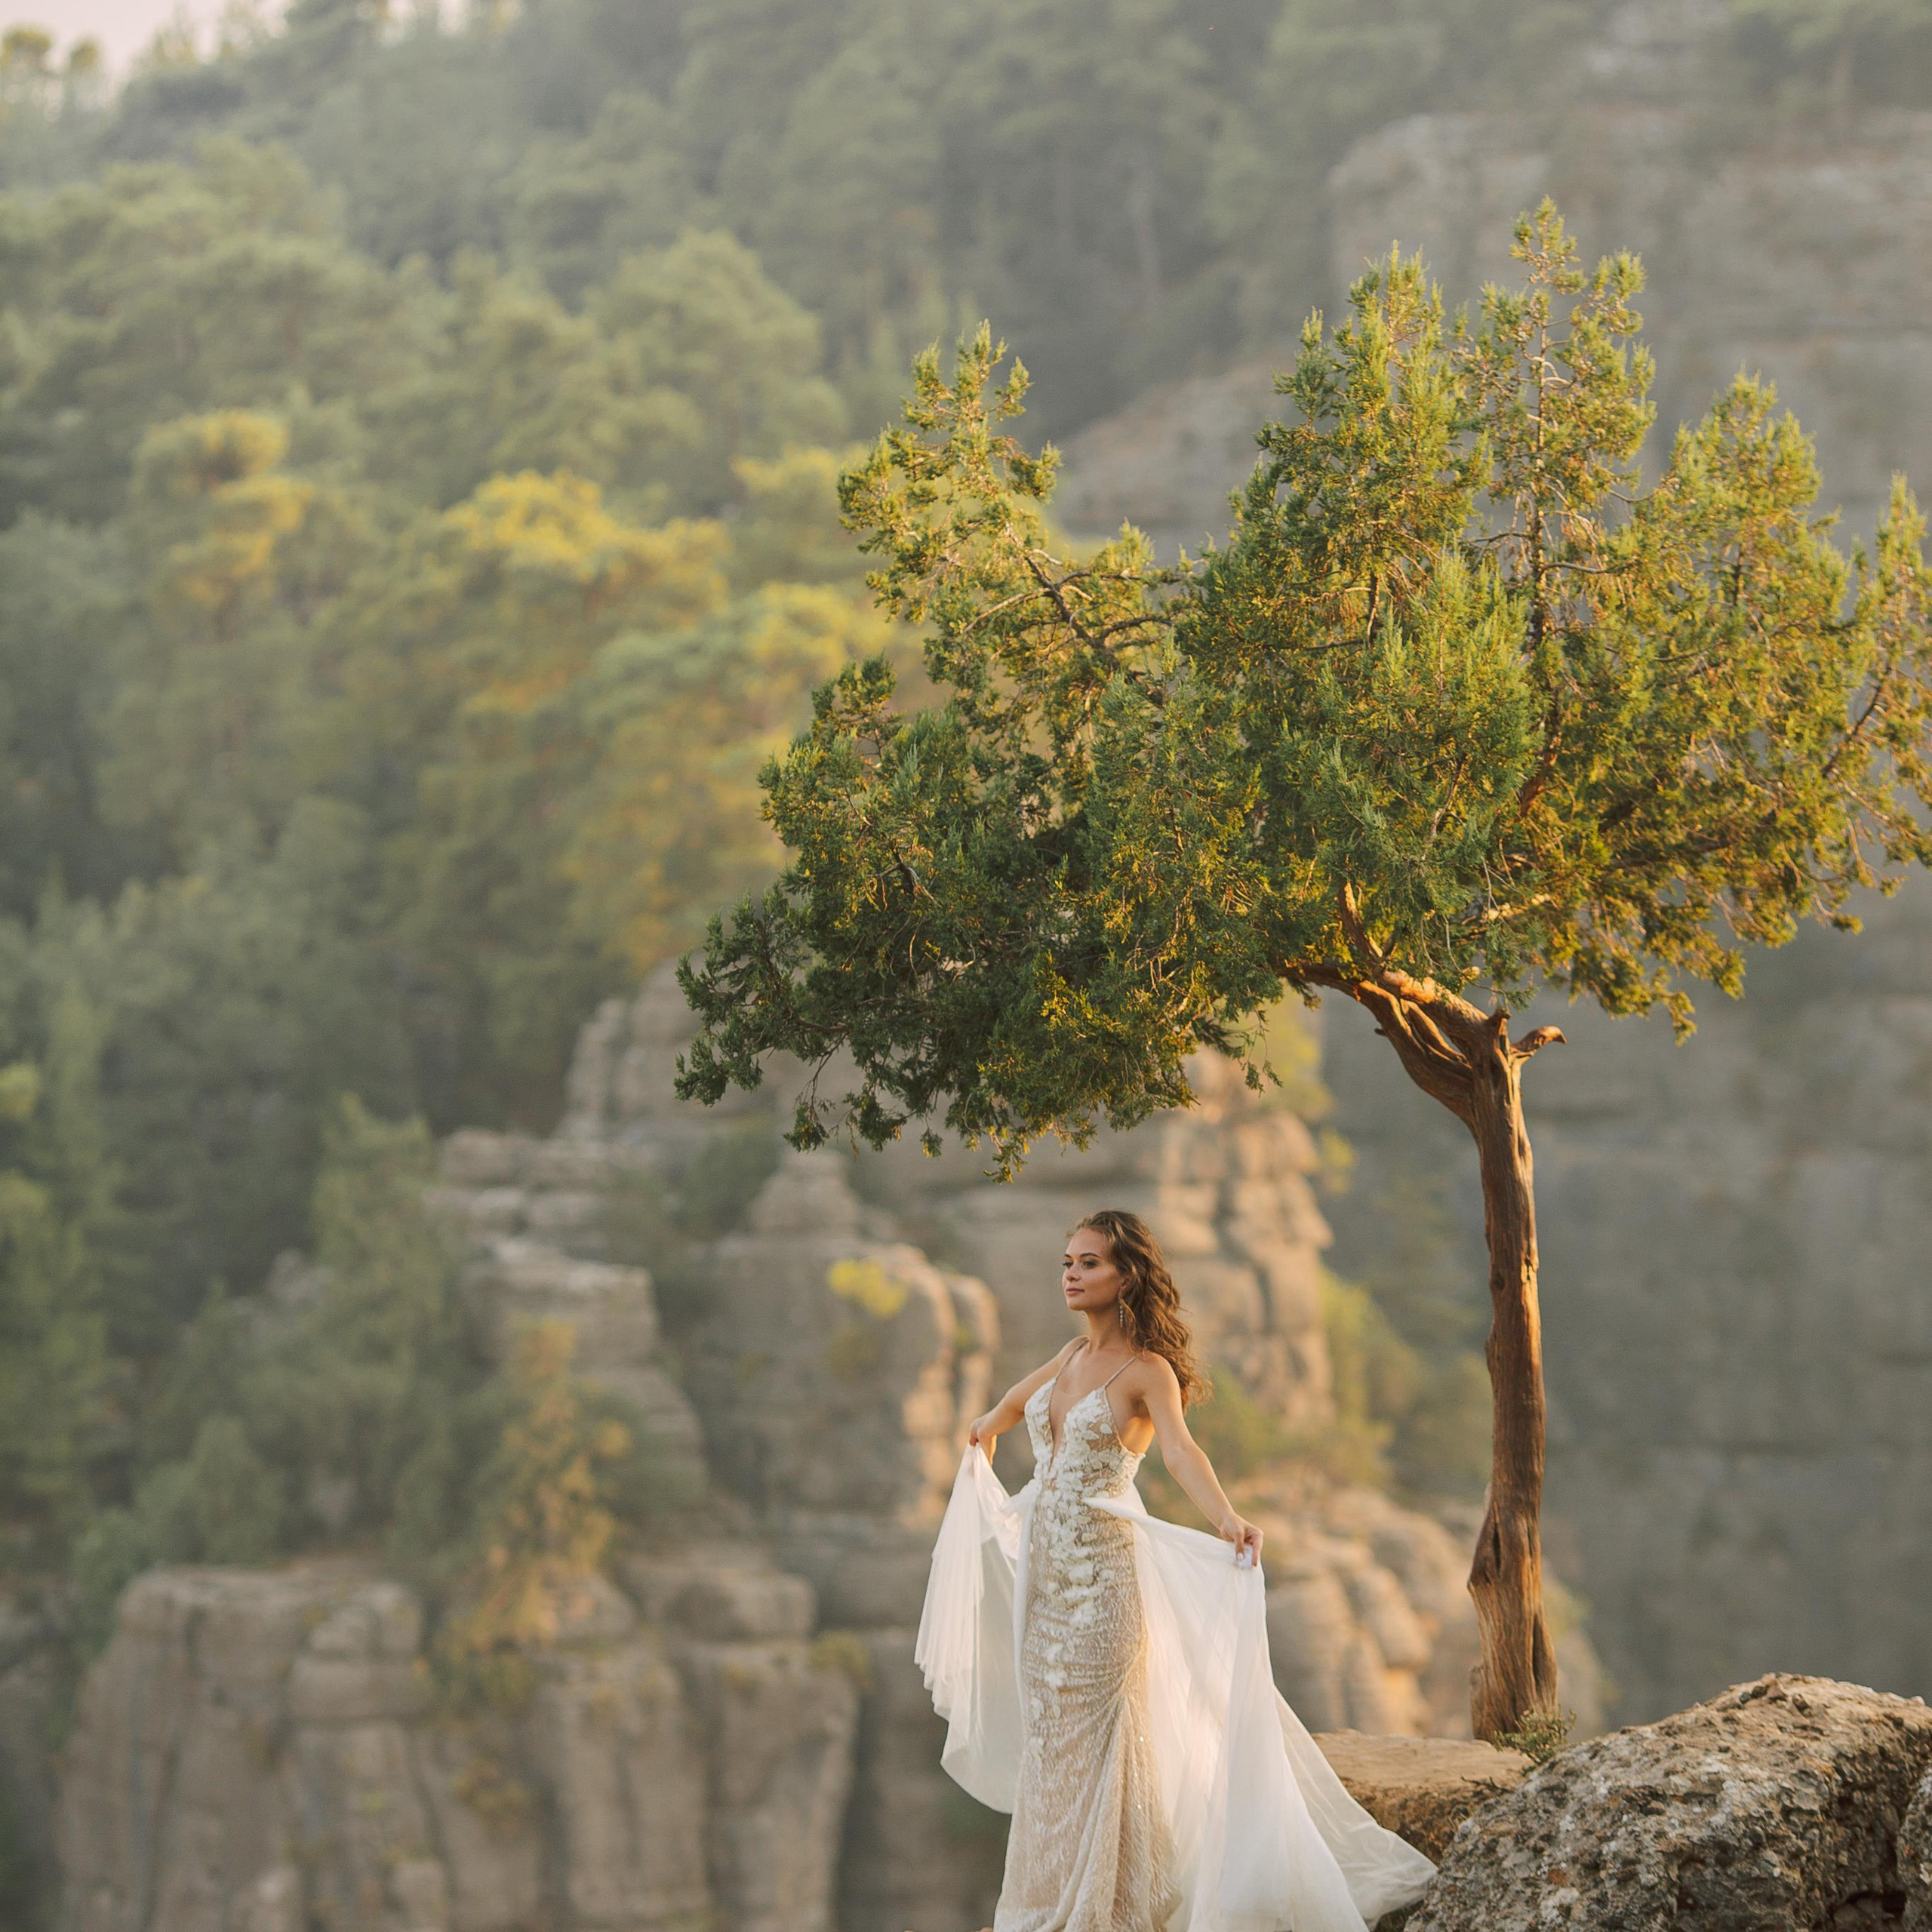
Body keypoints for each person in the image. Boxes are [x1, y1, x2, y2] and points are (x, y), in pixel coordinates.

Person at [917, 1209, 1437, 1932]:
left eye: (1089, 1262)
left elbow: (1181, 1452)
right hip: (1045, 1583)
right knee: (1051, 1745)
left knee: (1104, 1743)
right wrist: (982, 1443)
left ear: (1126, 1274)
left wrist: (1226, 1517)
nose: (1071, 1273)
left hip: (1105, 1583)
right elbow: (1006, 1410)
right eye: (1067, 1261)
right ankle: (1048, 1902)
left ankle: (1112, 1908)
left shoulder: (1146, 1371)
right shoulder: (1068, 1357)